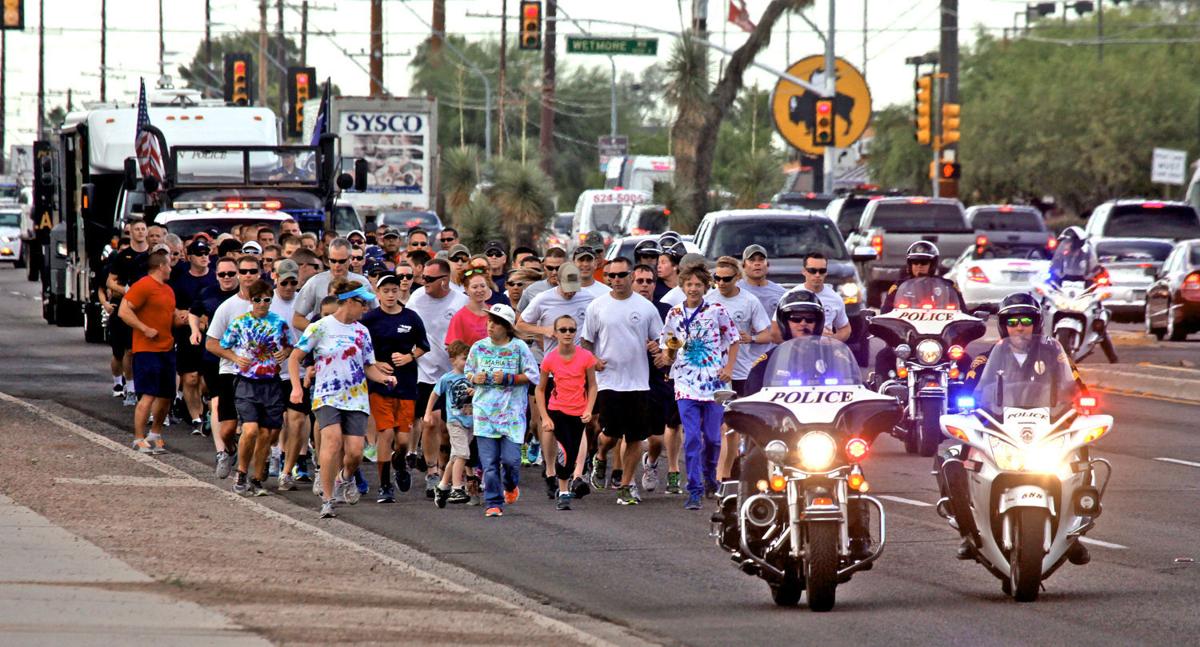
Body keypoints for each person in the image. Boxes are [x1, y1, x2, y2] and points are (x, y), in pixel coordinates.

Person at [289, 279, 398, 519]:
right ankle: (327, 500)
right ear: (349, 302)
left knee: (356, 452)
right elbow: (295, 358)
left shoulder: (362, 331)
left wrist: (384, 379)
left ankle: (344, 478)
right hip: (327, 395)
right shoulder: (320, 327)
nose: (366, 308)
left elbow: (368, 366)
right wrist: (297, 388)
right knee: (332, 441)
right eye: (363, 303)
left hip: (356, 398)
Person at [581, 257, 663, 505]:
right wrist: (593, 359)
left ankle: (626, 486)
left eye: (621, 275)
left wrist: (656, 347)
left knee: (635, 437)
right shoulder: (597, 306)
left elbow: (659, 339)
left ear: (631, 276)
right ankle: (600, 455)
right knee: (611, 435)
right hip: (608, 380)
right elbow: (586, 341)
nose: (616, 280)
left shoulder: (646, 308)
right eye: (611, 276)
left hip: (638, 382)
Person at [660, 264, 739, 510]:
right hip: (685, 383)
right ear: (682, 286)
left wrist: (729, 368)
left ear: (706, 287)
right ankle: (693, 489)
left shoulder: (716, 310)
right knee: (692, 437)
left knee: (713, 438)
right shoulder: (674, 313)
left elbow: (734, 339)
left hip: (714, 383)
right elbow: (668, 345)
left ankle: (710, 477)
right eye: (689, 284)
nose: (693, 289)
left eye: (698, 285)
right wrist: (669, 354)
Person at [214, 280, 291, 496]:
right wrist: (235, 358)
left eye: (267, 300)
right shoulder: (240, 323)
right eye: (258, 300)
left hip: (271, 382)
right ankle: (241, 473)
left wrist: (284, 353)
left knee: (266, 433)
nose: (262, 304)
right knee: (250, 429)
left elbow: (290, 345)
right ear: (251, 300)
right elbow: (222, 345)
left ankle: (256, 479)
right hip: (246, 382)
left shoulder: (279, 322)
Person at [464, 304, 539, 517]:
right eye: (489, 321)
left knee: (511, 461)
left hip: (511, 415)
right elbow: (468, 371)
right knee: (489, 464)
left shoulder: (519, 347)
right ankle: (493, 502)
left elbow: (533, 375)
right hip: (484, 413)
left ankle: (510, 485)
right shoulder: (478, 347)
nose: (491, 326)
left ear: (507, 327)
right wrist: (474, 378)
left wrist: (510, 378)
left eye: (496, 323)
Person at [361, 273, 429, 503]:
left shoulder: (411, 317)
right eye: (385, 291)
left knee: (402, 440)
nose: (390, 295)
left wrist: (409, 356)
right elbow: (361, 348)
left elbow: (423, 345)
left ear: (400, 291)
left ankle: (399, 463)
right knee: (386, 432)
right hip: (380, 383)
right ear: (377, 293)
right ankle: (385, 485)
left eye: (394, 290)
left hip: (406, 383)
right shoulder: (370, 319)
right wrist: (375, 363)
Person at [706, 256, 773, 482]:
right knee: (720, 426)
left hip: (742, 371)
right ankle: (720, 475)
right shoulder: (708, 300)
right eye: (717, 278)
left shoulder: (749, 301)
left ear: (737, 278)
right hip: (714, 372)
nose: (721, 283)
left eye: (726, 279)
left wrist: (751, 338)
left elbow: (767, 334)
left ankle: (732, 467)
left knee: (737, 425)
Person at [407, 259, 468, 496]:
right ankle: (432, 471)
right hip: (425, 372)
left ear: (444, 280)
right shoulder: (417, 299)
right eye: (423, 277)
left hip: (454, 374)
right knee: (430, 422)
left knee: (447, 427)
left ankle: (448, 471)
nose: (424, 282)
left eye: (429, 279)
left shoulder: (460, 301)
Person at [204, 256, 263, 477]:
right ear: (239, 274)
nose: (248, 275)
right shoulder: (227, 307)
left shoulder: (268, 303)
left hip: (260, 376)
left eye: (252, 271)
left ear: (259, 273)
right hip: (231, 372)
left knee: (255, 427)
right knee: (228, 429)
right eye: (244, 271)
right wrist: (234, 357)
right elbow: (211, 343)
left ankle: (251, 472)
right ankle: (228, 451)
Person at [535, 315, 598, 511]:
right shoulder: (550, 358)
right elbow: (540, 389)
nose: (568, 333)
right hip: (557, 410)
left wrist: (589, 409)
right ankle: (563, 492)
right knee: (564, 451)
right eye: (563, 330)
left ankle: (569, 481)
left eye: (572, 330)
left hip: (578, 412)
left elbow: (593, 386)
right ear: (556, 333)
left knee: (572, 453)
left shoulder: (586, 357)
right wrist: (545, 417)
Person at [118, 250, 177, 454]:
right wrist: (144, 328)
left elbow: (169, 316)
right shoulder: (143, 285)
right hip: (147, 349)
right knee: (148, 394)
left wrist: (184, 318)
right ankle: (138, 438)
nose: (171, 268)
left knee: (166, 395)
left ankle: (155, 434)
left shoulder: (168, 290)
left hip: (166, 348)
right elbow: (124, 311)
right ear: (161, 266)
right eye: (169, 264)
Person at [169, 238, 216, 435]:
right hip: (186, 335)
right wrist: (189, 317)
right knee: (190, 378)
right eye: (199, 254)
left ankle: (207, 407)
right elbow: (174, 309)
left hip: (211, 335)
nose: (204, 257)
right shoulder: (180, 281)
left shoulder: (215, 278)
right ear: (189, 257)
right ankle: (196, 419)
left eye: (206, 253)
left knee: (206, 381)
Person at [269, 259, 308, 489]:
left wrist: (291, 350)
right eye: (284, 282)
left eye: (293, 282)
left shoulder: (304, 302)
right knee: (273, 425)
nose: (289, 287)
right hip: (270, 374)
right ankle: (274, 453)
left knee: (297, 421)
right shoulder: (266, 301)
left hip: (298, 373)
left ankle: (287, 471)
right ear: (276, 279)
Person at [108, 219, 151, 405]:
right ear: (130, 233)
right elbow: (110, 281)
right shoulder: (122, 256)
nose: (140, 232)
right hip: (127, 307)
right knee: (129, 350)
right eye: (137, 229)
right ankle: (130, 389)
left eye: (143, 229)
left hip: (149, 308)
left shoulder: (152, 255)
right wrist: (126, 290)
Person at [430, 341, 474, 507]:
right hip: (455, 421)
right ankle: (456, 488)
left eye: (469, 358)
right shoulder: (447, 378)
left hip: (471, 421)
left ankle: (442, 487)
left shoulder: (473, 377)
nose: (467, 362)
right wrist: (427, 413)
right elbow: (434, 394)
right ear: (453, 360)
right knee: (462, 454)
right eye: (464, 358)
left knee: (456, 456)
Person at [291, 238, 371, 329]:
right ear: (328, 259)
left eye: (341, 261)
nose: (337, 265)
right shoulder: (315, 282)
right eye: (333, 260)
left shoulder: (362, 283)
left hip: (355, 335)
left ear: (350, 259)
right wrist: (320, 332)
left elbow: (376, 312)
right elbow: (297, 319)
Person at [774, 252, 851, 342]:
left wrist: (832, 340)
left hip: (823, 348)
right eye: (812, 270)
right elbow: (775, 330)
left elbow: (845, 329)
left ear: (826, 272)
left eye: (822, 271)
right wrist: (793, 346)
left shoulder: (835, 298)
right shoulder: (789, 297)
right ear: (804, 271)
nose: (817, 275)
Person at [446, 261, 495, 347]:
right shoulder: (459, 317)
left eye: (483, 286)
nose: (479, 290)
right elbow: (453, 348)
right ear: (466, 289)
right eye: (474, 287)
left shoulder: (495, 312)